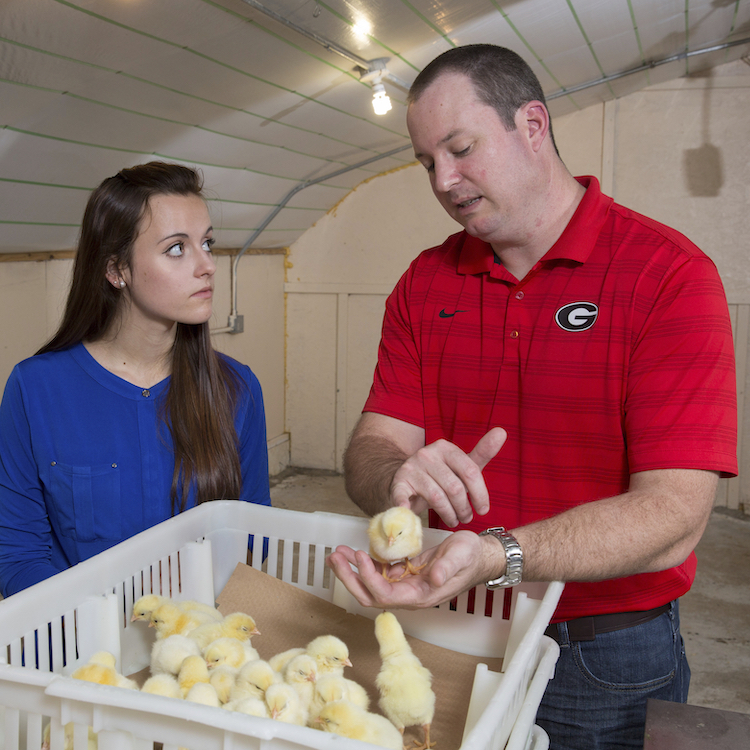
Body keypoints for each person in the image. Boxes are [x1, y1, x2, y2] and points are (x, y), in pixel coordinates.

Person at [326, 45, 737, 749]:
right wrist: (396, 475)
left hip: (602, 651)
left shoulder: (667, 277)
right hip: (454, 619)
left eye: (460, 149)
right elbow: (371, 447)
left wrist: (499, 553)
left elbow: (674, 515)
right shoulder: (426, 284)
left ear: (534, 125)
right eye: (428, 162)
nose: (445, 181)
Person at [0, 161, 271, 598]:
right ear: (116, 270)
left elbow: (256, 532)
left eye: (207, 243)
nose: (207, 266)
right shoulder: (36, 390)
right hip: (80, 650)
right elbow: (17, 552)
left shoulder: (237, 389)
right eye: (177, 249)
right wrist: (98, 620)